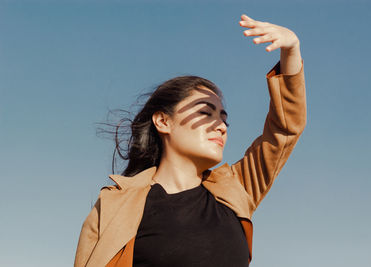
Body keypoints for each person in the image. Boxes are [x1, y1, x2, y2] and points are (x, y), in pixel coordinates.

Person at [74, 14, 306, 267]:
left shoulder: (237, 190)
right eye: (205, 113)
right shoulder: (115, 205)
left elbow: (285, 128)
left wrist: (291, 52)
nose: (220, 127)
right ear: (163, 121)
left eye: (224, 120)